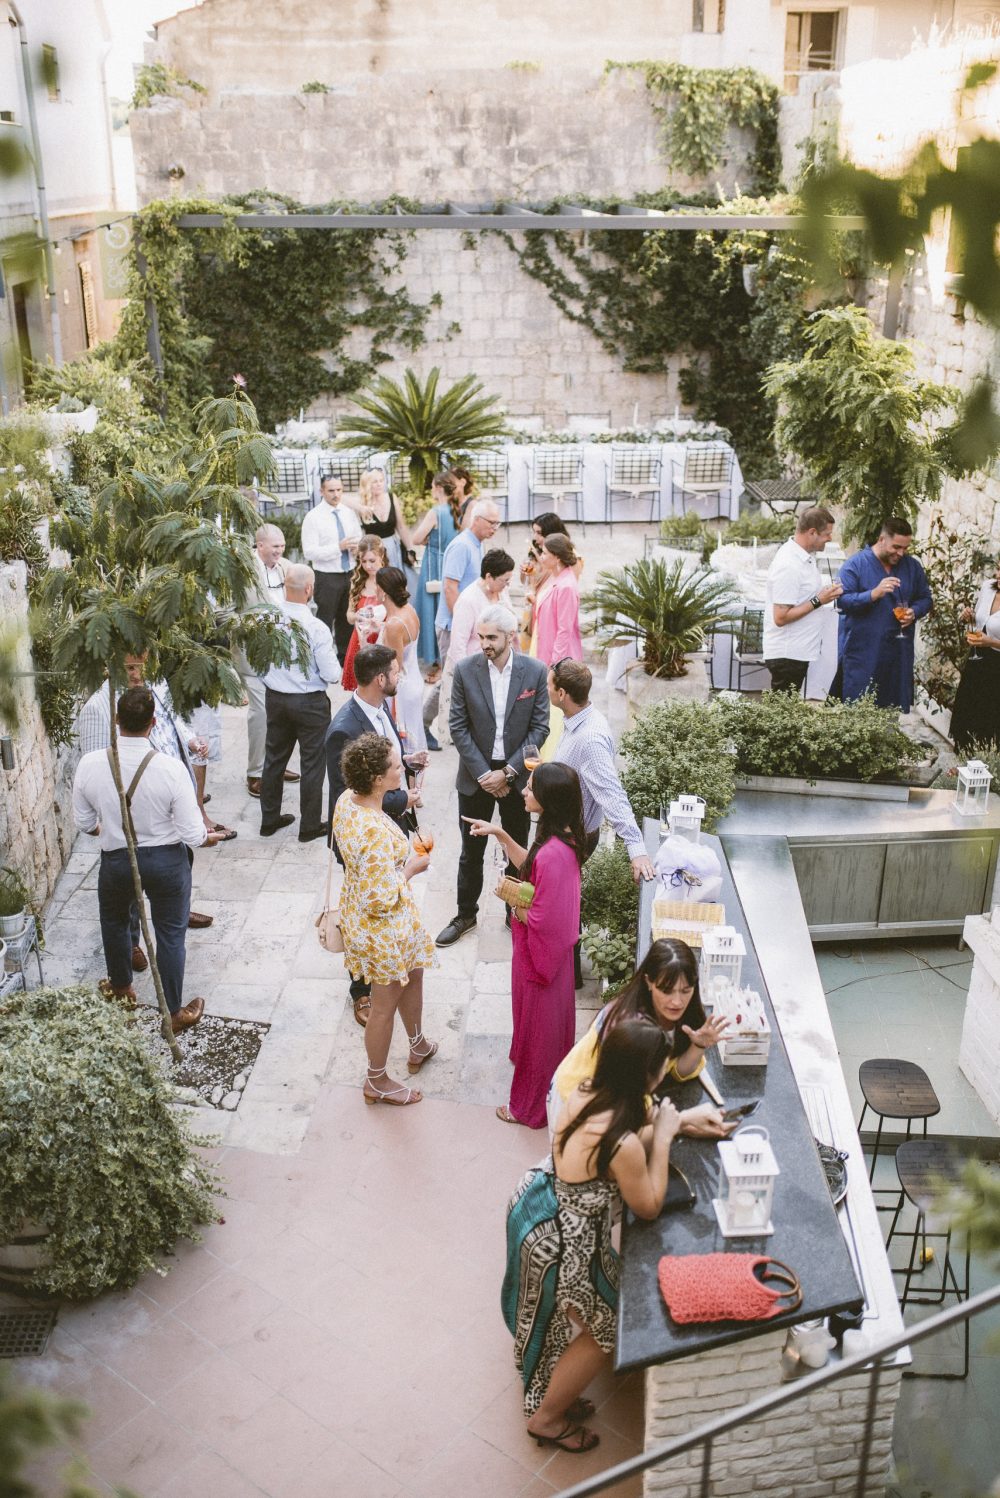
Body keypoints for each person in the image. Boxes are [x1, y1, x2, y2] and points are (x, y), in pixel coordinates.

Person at [503, 1020, 682, 1452]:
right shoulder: (623, 1143)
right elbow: (650, 1204)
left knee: (580, 1317)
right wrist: (665, 1137)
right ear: (646, 1074)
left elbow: (609, 1146)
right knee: (606, 1329)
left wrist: (661, 1129)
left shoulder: (586, 1090)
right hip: (567, 1243)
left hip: (536, 1205)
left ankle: (560, 1387)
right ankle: (546, 1419)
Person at [72, 686, 226, 1030]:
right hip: (166, 862)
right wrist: (207, 838)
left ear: (116, 720)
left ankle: (123, 989)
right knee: (170, 934)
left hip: (116, 859)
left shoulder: (91, 764)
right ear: (153, 723)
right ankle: (173, 1012)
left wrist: (111, 832)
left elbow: (84, 823)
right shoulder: (171, 769)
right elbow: (191, 833)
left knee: (113, 923)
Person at [465, 762, 585, 1128]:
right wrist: (499, 833)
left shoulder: (554, 854)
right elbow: (531, 864)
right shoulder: (558, 840)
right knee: (537, 1030)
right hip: (546, 959)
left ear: (547, 800)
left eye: (531, 788)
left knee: (538, 1034)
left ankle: (528, 1107)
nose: (524, 793)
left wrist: (516, 906)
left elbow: (544, 919)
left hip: (540, 961)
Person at [74, 654, 215, 937]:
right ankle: (133, 942)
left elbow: (172, 719)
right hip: (133, 807)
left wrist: (190, 740)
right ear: (112, 665)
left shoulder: (158, 684)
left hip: (168, 797)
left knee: (181, 860)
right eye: (129, 668)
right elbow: (92, 765)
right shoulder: (98, 708)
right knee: (129, 883)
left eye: (142, 665)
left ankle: (177, 910)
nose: (137, 674)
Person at [331, 733, 437, 1106]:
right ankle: (376, 1079)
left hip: (382, 917)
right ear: (378, 779)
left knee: (416, 974)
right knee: (382, 1005)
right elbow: (379, 899)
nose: (401, 768)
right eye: (395, 766)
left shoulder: (348, 800)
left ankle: (418, 1043)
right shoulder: (374, 830)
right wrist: (411, 869)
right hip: (381, 927)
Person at [436, 604, 549, 948]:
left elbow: (539, 726)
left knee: (516, 846)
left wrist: (509, 772)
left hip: (516, 779)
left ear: (510, 636)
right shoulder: (466, 670)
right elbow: (457, 725)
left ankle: (512, 912)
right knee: (471, 851)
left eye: (491, 637)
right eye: (481, 636)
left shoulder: (534, 671)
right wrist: (486, 773)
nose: (483, 642)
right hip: (476, 777)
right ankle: (465, 914)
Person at [326, 644, 425, 1024]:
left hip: (387, 828)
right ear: (380, 679)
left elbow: (379, 767)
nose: (400, 678)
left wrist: (408, 762)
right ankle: (361, 991)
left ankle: (387, 963)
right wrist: (403, 798)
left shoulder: (381, 708)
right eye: (396, 673)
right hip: (363, 835)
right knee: (364, 906)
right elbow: (353, 792)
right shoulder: (344, 730)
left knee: (387, 901)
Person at [547, 939, 731, 1138]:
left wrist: (697, 1045)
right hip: (576, 1103)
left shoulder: (676, 1016)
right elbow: (626, 1102)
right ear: (649, 982)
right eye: (666, 990)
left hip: (609, 1106)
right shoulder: (630, 1023)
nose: (677, 1001)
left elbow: (677, 1069)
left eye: (685, 990)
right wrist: (683, 1122)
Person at [259, 563, 342, 841]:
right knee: (312, 763)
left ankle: (269, 820)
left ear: (285, 586)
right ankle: (308, 826)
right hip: (309, 704)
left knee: (274, 759)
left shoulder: (267, 620)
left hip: (276, 699)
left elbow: (259, 661)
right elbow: (332, 674)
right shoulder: (315, 627)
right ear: (309, 589)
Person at [549, 660, 653, 875]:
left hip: (572, 839)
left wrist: (637, 849)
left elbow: (612, 793)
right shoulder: (578, 717)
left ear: (561, 694)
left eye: (548, 685)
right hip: (562, 831)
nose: (545, 689)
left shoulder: (590, 740)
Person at [424, 498, 502, 743]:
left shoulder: (477, 543)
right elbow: (449, 588)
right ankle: (424, 723)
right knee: (450, 678)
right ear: (476, 520)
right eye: (491, 523)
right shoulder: (462, 546)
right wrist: (465, 625)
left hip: (469, 624)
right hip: (453, 625)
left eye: (498, 523)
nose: (495, 528)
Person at [836, 517, 933, 712]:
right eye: (896, 547)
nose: (901, 553)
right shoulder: (854, 566)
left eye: (905, 548)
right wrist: (873, 594)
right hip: (862, 654)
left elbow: (926, 598)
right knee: (858, 712)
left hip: (898, 654)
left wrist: (914, 612)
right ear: (882, 539)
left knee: (890, 715)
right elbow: (842, 601)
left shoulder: (912, 566)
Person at [240, 524, 301, 799]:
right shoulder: (242, 570)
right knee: (262, 713)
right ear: (259, 545)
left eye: (282, 546)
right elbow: (224, 612)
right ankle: (256, 773)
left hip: (284, 653)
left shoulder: (285, 566)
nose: (279, 551)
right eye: (274, 546)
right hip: (253, 654)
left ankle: (276, 766)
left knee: (283, 712)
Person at [436, 548, 516, 749]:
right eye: (504, 580)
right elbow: (458, 645)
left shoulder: (501, 592)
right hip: (475, 670)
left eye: (508, 580)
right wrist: (468, 680)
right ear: (489, 576)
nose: (507, 585)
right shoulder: (468, 599)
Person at [762, 506, 843, 694]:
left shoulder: (804, 558)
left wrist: (821, 594)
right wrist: (818, 600)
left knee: (786, 715)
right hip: (787, 653)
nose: (830, 539)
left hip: (796, 651)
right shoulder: (789, 564)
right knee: (781, 716)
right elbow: (781, 617)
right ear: (812, 532)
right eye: (827, 534)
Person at [301, 475, 362, 662]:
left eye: (339, 490)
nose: (336, 494)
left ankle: (345, 659)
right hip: (326, 576)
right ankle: (321, 658)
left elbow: (358, 535)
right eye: (331, 491)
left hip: (350, 572)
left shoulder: (349, 512)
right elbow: (309, 552)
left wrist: (356, 548)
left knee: (347, 618)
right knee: (325, 619)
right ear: (321, 491)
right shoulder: (313, 517)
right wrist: (338, 548)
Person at [411, 471, 461, 671]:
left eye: (432, 486)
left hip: (433, 563)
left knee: (430, 608)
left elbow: (416, 538)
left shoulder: (436, 512)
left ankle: (433, 657)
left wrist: (427, 540)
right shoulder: (457, 510)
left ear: (439, 488)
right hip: (451, 561)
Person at [951, 556, 1000, 751]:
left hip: (997, 669)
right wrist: (968, 617)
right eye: (999, 568)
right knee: (968, 717)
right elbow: (978, 622)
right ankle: (964, 766)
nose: (999, 575)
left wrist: (992, 642)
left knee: (990, 722)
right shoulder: (988, 587)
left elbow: (990, 636)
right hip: (977, 663)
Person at [376, 565, 426, 753]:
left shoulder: (394, 625)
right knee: (413, 742)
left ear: (382, 590)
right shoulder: (409, 610)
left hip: (401, 691)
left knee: (402, 748)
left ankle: (406, 783)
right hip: (415, 680)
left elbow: (394, 666)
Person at [341, 536, 388, 693]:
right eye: (364, 561)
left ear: (381, 556)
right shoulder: (357, 582)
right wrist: (358, 616)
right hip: (360, 640)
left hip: (383, 639)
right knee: (362, 691)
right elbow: (349, 616)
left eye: (372, 561)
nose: (368, 566)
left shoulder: (390, 580)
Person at [352, 468, 414, 573]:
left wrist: (410, 549)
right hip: (372, 550)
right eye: (375, 481)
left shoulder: (391, 497)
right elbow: (341, 499)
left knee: (393, 579)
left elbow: (401, 526)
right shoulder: (362, 502)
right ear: (367, 484)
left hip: (392, 547)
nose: (379, 484)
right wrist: (360, 508)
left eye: (381, 480)